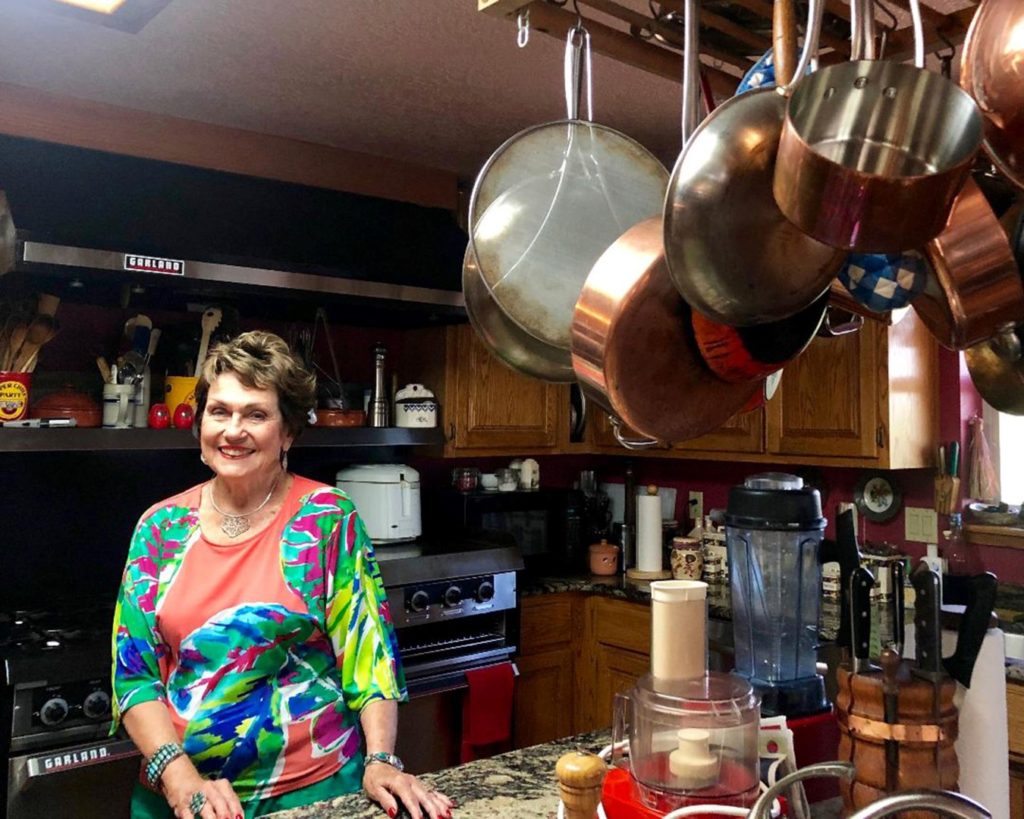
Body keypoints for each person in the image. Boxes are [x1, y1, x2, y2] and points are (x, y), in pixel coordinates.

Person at [111, 330, 453, 819]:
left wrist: (381, 760)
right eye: (220, 411)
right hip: (179, 798)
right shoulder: (159, 527)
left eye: (256, 414)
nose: (233, 430)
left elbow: (369, 653)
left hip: (308, 794)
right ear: (201, 423)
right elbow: (134, 676)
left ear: (288, 432)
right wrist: (180, 778)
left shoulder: (326, 519)